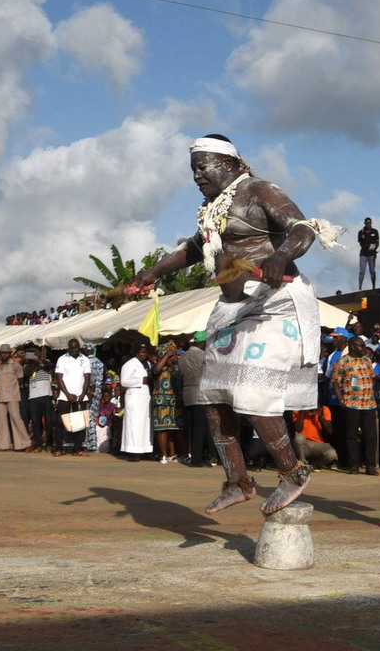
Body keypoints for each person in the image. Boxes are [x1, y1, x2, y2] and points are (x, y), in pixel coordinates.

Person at [132, 134, 333, 515]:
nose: (196, 175)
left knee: (249, 391)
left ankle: (293, 471)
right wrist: (153, 271)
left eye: (202, 166)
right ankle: (237, 481)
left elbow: (304, 228)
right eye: (192, 168)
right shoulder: (212, 208)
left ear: (229, 164)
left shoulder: (259, 190)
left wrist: (281, 256)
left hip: (275, 302)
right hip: (232, 306)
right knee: (213, 397)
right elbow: (195, 248)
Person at [332, 336, 379, 475]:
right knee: (352, 436)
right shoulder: (342, 361)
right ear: (352, 347)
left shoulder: (367, 360)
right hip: (351, 403)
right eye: (361, 346)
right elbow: (335, 382)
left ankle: (370, 466)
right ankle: (354, 465)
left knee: (370, 436)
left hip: (369, 403)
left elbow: (372, 377)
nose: (364, 349)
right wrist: (341, 400)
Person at [178, 331, 213, 467]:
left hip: (187, 394)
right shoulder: (204, 356)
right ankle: (197, 459)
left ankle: (195, 455)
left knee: (192, 427)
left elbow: (180, 374)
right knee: (200, 427)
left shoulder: (182, 357)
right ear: (202, 342)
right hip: (200, 394)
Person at [54, 339, 91, 457]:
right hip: (65, 396)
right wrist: (67, 394)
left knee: (80, 423)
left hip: (80, 396)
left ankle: (77, 449)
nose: (73, 350)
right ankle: (59, 448)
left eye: (75, 348)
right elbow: (59, 378)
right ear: (68, 348)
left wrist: (82, 394)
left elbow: (87, 378)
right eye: (71, 348)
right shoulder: (62, 359)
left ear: (79, 347)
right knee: (60, 423)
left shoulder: (85, 359)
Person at [0, 344, 31, 452]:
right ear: (0, 354)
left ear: (9, 354)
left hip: (13, 395)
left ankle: (24, 443)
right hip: (0, 395)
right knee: (0, 421)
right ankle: (2, 445)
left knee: (16, 418)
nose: (4, 355)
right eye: (2, 353)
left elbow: (20, 380)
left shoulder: (16, 365)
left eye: (6, 353)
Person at [120, 344, 153, 460]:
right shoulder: (129, 364)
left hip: (144, 396)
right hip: (134, 395)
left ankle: (144, 449)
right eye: (140, 352)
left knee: (144, 424)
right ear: (135, 352)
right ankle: (132, 451)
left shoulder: (147, 364)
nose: (142, 354)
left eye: (145, 352)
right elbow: (124, 381)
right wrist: (140, 380)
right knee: (133, 423)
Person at [358, 216, 379, 290]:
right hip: (363, 253)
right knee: (362, 271)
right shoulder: (361, 232)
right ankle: (360, 287)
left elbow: (377, 242)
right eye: (366, 223)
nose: (368, 224)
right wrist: (366, 246)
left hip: (372, 254)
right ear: (364, 223)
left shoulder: (375, 231)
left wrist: (374, 248)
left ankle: (373, 287)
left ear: (371, 223)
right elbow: (360, 242)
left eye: (369, 223)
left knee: (372, 270)